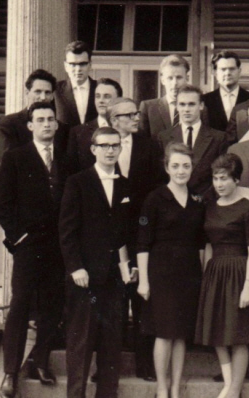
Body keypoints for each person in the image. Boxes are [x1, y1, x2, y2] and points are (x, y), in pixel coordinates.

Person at [0, 101, 68, 398]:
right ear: (30, 126)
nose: (47, 124)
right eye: (40, 120)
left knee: (52, 304)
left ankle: (41, 360)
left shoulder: (66, 159)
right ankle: (10, 371)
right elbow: (2, 203)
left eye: (51, 119)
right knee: (21, 303)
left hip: (58, 247)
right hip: (28, 245)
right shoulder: (16, 158)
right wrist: (19, 238)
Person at [59, 126, 133, 398]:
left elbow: (127, 232)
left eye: (115, 145)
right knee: (81, 337)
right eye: (104, 145)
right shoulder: (77, 183)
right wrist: (76, 266)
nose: (111, 150)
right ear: (93, 149)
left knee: (112, 337)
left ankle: (107, 397)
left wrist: (131, 267)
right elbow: (67, 231)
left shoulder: (126, 185)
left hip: (116, 276)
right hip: (85, 274)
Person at [136, 143, 206, 398]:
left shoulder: (198, 200)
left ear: (192, 168)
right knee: (165, 333)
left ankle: (176, 390)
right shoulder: (154, 199)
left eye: (186, 166)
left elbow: (201, 243)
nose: (181, 171)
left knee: (181, 335)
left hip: (189, 273)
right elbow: (142, 242)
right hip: (161, 272)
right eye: (175, 165)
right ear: (166, 167)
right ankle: (161, 389)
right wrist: (143, 280)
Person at [195, 153, 249, 398]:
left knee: (238, 335)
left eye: (224, 179)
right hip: (215, 272)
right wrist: (205, 275)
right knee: (216, 332)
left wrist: (248, 284)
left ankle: (234, 392)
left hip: (238, 269)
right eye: (215, 178)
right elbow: (208, 244)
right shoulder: (209, 207)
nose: (219, 184)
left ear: (236, 179)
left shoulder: (248, 207)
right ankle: (228, 384)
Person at [108, 97, 166, 382]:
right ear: (113, 121)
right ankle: (110, 366)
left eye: (135, 113)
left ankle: (146, 365)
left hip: (142, 232)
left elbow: (157, 184)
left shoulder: (148, 145)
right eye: (128, 115)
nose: (135, 118)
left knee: (143, 300)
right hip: (111, 234)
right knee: (113, 301)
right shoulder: (103, 146)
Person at [158, 85, 228, 199]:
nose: (186, 109)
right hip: (173, 202)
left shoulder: (218, 138)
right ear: (176, 106)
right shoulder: (164, 137)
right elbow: (161, 175)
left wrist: (203, 198)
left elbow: (221, 173)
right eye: (182, 104)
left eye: (191, 104)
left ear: (201, 105)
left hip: (206, 202)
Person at [0, 69, 69, 156]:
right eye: (38, 92)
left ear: (52, 96)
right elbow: (8, 162)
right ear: (27, 93)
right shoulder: (10, 124)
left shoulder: (62, 129)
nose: (43, 97)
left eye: (47, 92)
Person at [66, 78, 123, 174]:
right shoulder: (78, 133)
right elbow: (71, 171)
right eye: (97, 96)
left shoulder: (130, 131)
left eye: (107, 96)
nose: (101, 101)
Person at [139, 54, 202, 139]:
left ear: (187, 78)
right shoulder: (148, 107)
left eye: (179, 77)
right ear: (162, 80)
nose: (174, 83)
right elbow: (142, 141)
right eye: (170, 78)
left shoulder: (200, 108)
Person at [203, 51, 249, 132]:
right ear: (215, 73)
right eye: (223, 69)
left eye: (232, 69)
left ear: (239, 71)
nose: (227, 73)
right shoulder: (205, 100)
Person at [54, 41, 98, 127]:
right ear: (66, 66)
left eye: (83, 64)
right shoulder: (55, 90)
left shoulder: (100, 89)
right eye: (73, 64)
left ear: (90, 65)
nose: (78, 69)